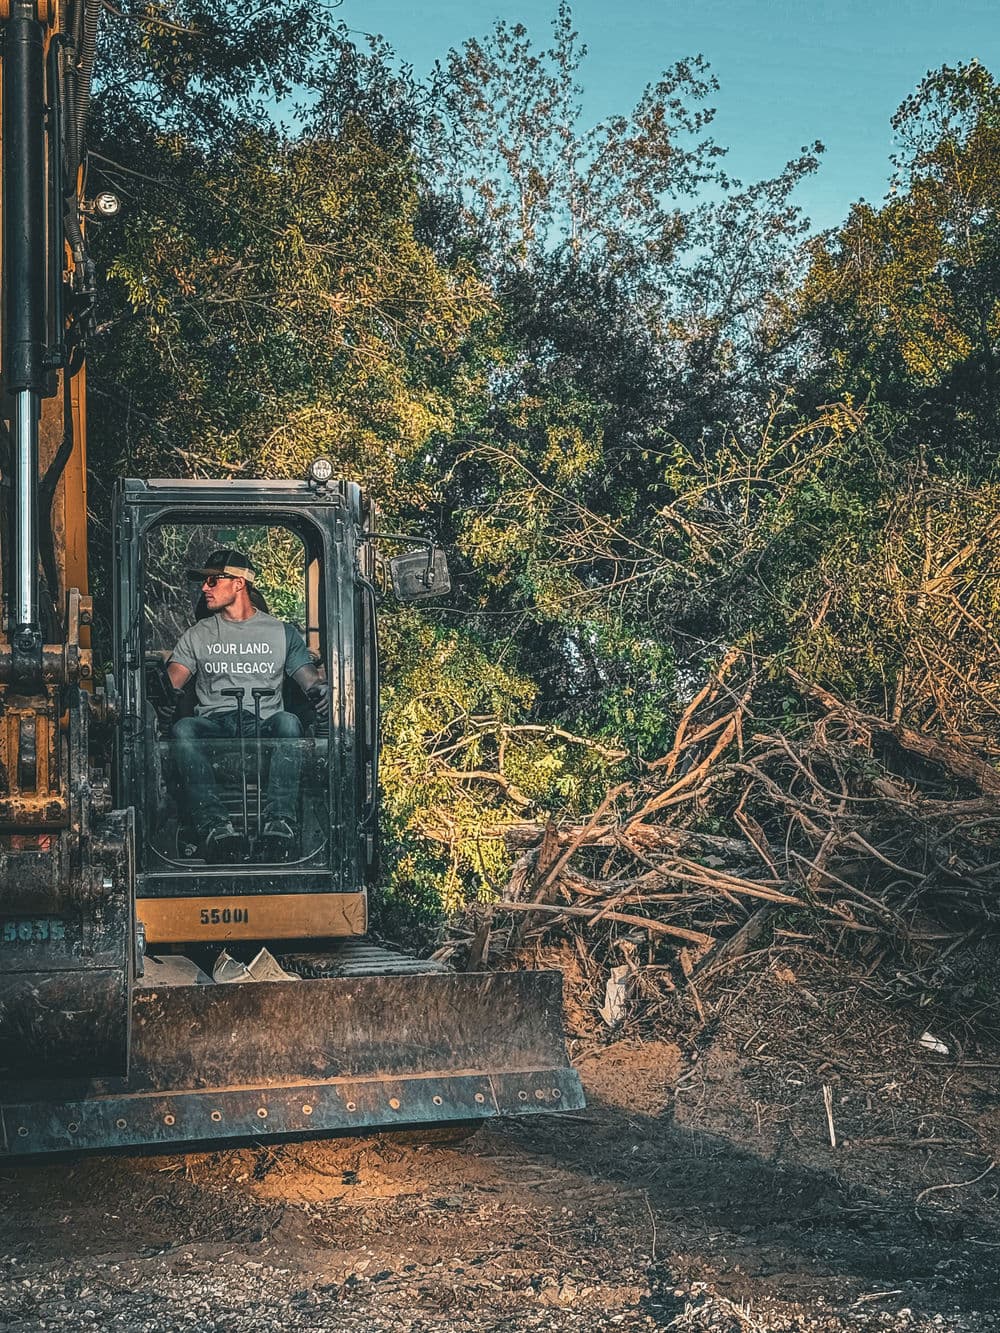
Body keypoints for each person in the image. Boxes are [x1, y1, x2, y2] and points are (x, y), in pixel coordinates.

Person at [164, 548, 330, 862]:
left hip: (263, 728)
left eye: (213, 580)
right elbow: (172, 682)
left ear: (239, 583)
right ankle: (215, 825)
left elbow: (310, 682)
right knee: (185, 729)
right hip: (215, 728)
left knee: (289, 723)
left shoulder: (282, 633)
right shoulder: (197, 635)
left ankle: (278, 822)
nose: (204, 588)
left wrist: (324, 691)